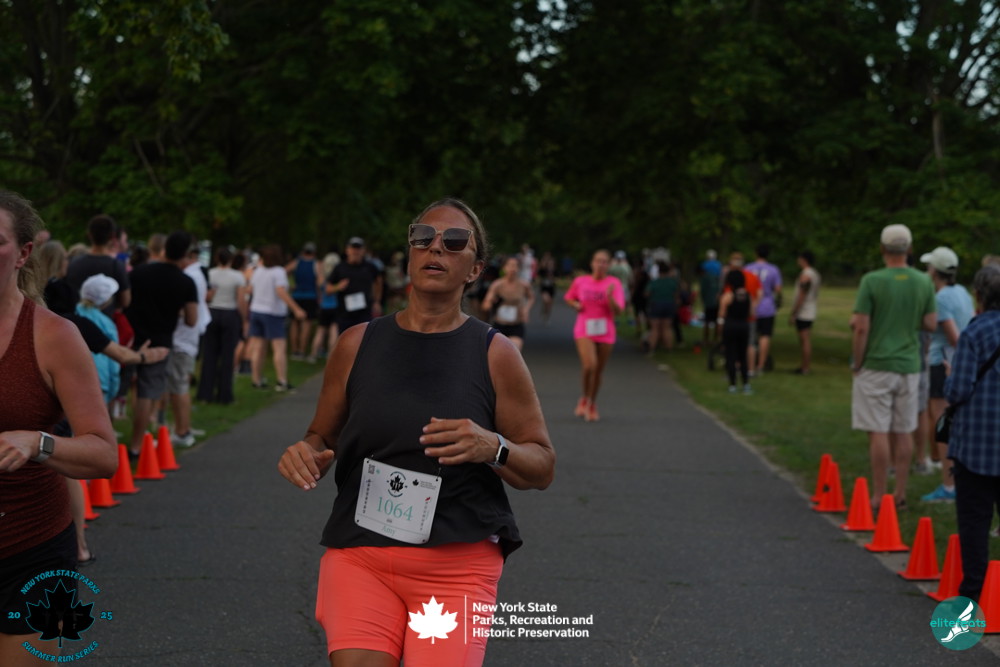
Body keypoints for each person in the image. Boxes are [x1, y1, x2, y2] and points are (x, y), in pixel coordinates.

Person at [277, 198, 554, 667]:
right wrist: (306, 452)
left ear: (475, 270)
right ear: (409, 254)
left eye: (455, 242)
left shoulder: (495, 353)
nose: (436, 248)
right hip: (362, 553)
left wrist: (493, 446)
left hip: (455, 566)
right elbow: (322, 435)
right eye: (423, 237)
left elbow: (542, 465)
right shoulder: (356, 343)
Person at [0, 190, 117, 663]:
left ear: (23, 253)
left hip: (31, 551)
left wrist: (38, 442)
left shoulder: (54, 336)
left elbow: (103, 454)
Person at [850, 224, 936, 511]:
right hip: (909, 364)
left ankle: (879, 495)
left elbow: (861, 327)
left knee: (878, 430)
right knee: (904, 429)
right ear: (909, 249)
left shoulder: (871, 281)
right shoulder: (923, 281)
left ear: (882, 249)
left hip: (877, 363)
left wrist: (858, 362)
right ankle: (900, 493)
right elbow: (930, 323)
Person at [947, 265, 1000, 602]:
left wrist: (950, 376)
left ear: (978, 296)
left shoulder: (974, 332)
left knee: (975, 523)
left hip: (976, 446)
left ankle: (974, 595)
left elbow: (958, 391)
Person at [124, 231, 199, 457]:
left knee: (119, 390)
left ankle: (104, 440)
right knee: (147, 393)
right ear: (186, 254)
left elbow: (124, 301)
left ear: (165, 249)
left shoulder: (139, 272)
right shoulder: (186, 282)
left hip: (129, 338)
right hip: (160, 343)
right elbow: (192, 319)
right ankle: (136, 444)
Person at [919, 247, 974, 502]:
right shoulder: (962, 291)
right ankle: (955, 479)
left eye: (929, 267)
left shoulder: (940, 298)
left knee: (942, 423)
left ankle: (949, 486)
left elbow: (954, 337)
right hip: (954, 363)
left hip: (942, 364)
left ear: (935, 271)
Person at [564, 250, 626, 422]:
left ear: (609, 265)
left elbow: (619, 311)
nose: (601, 264)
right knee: (589, 365)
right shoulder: (581, 281)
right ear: (592, 263)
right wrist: (575, 305)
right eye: (598, 261)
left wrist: (609, 297)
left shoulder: (614, 283)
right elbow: (569, 297)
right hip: (584, 329)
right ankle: (584, 397)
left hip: (606, 331)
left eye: (605, 262)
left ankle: (592, 403)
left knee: (598, 370)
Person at [247, 244, 307, 392]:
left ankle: (256, 380)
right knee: (279, 348)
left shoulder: (258, 271)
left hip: (256, 310)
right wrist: (296, 308)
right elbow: (280, 291)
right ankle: (282, 381)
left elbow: (250, 289)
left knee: (258, 347)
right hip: (273, 313)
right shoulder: (278, 272)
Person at [197, 247, 248, 404]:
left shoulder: (210, 273)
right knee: (227, 356)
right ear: (231, 260)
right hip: (229, 313)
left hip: (212, 312)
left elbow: (206, 296)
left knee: (209, 355)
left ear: (217, 259)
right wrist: (244, 319)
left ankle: (205, 393)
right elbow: (240, 300)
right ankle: (225, 394)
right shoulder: (237, 276)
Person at [65, 214, 130, 315]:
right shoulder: (116, 265)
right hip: (104, 320)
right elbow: (125, 301)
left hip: (76, 320)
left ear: (89, 234)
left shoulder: (74, 263)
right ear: (113, 236)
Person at [328, 237, 383, 334]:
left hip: (364, 313)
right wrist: (338, 287)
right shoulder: (340, 267)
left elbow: (379, 282)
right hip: (344, 314)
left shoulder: (370, 267)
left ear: (363, 251)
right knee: (345, 339)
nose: (355, 251)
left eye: (358, 248)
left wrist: (376, 301)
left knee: (364, 338)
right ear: (347, 250)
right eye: (353, 248)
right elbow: (327, 289)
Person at [481, 256, 534, 351]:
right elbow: (486, 304)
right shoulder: (497, 285)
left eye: (515, 266)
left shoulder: (524, 285)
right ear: (504, 268)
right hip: (500, 324)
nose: (512, 269)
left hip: (516, 325)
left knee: (514, 350)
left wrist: (526, 310)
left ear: (519, 268)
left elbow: (531, 298)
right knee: (499, 353)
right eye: (510, 265)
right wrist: (489, 303)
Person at [718, 269, 758, 394]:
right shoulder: (748, 296)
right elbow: (751, 313)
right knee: (742, 355)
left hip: (730, 326)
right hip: (743, 326)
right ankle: (746, 384)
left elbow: (722, 314)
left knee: (731, 355)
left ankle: (733, 385)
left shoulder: (728, 296)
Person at [745, 243, 782, 374]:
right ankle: (761, 365)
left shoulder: (748, 268)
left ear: (756, 253)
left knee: (750, 337)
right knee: (765, 335)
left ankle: (749, 363)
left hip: (750, 306)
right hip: (767, 306)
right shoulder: (773, 269)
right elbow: (777, 289)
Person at [789, 251, 821, 374]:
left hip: (804, 311)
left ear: (803, 260)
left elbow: (802, 294)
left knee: (804, 340)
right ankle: (804, 365)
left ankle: (805, 367)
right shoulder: (815, 273)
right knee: (805, 339)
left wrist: (794, 312)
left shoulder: (806, 275)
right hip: (810, 309)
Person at [286, 242, 320, 360]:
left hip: (296, 295)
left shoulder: (296, 262)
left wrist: (290, 285)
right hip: (310, 296)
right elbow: (319, 282)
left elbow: (284, 271)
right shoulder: (316, 263)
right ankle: (301, 351)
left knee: (294, 323)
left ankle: (294, 350)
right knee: (307, 324)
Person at [644, 260, 679, 354]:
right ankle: (669, 348)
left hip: (656, 304)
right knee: (667, 327)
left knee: (654, 328)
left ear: (659, 271)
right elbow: (676, 295)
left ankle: (651, 348)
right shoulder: (672, 282)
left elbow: (647, 293)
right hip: (669, 304)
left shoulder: (654, 282)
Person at [537, 251, 557, 325]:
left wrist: (553, 279)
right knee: (546, 300)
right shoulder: (544, 270)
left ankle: (547, 316)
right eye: (549, 264)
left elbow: (557, 278)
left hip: (551, 288)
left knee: (549, 304)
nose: (550, 265)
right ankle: (544, 310)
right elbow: (539, 272)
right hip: (544, 287)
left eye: (552, 264)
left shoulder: (555, 271)